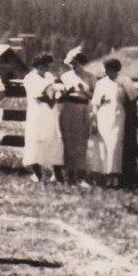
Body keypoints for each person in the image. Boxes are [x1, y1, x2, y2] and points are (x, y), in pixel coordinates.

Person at [89, 59, 135, 187]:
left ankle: (114, 177)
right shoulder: (101, 83)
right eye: (106, 69)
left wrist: (126, 88)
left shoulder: (124, 81)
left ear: (116, 70)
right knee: (103, 146)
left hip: (118, 115)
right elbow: (95, 103)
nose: (107, 72)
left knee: (115, 145)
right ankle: (104, 177)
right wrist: (94, 120)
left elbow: (133, 96)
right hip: (103, 115)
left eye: (110, 69)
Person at [22, 53, 65, 183]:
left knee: (53, 140)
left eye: (47, 64)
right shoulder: (30, 78)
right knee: (36, 140)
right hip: (37, 113)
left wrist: (57, 94)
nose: (46, 67)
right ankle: (37, 174)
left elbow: (59, 90)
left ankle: (57, 174)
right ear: (37, 65)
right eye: (43, 64)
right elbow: (37, 95)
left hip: (50, 113)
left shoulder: (49, 76)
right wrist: (50, 92)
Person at [59, 47, 96, 185]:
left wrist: (84, 92)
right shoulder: (65, 77)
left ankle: (80, 176)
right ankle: (69, 174)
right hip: (69, 109)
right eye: (71, 64)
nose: (74, 66)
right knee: (68, 141)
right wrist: (66, 92)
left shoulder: (90, 77)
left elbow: (95, 96)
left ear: (82, 62)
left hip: (83, 109)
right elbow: (59, 96)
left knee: (81, 142)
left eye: (76, 63)